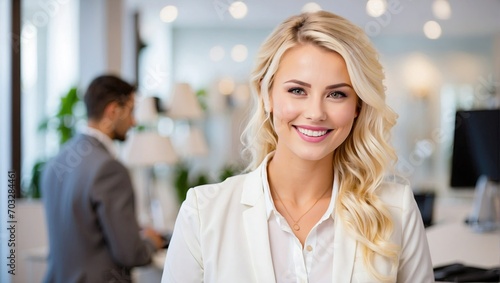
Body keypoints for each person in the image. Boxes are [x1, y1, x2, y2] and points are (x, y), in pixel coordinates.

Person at [162, 11, 434, 283]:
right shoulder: (202, 213)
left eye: (336, 94)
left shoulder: (396, 209)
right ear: (266, 95)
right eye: (297, 90)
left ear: (357, 107)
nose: (315, 113)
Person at [41, 75, 165, 283]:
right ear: (113, 111)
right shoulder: (110, 169)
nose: (134, 122)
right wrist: (152, 242)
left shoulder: (56, 162)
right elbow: (130, 253)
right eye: (131, 111)